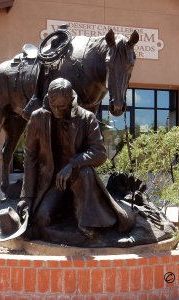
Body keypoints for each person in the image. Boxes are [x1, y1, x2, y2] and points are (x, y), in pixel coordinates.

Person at [18, 78, 134, 240]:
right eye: (54, 106)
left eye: (62, 107)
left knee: (86, 171)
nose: (57, 111)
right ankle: (64, 217)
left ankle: (86, 223)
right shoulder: (38, 118)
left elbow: (99, 153)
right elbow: (30, 157)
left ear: (71, 100)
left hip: (80, 178)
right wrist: (27, 197)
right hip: (52, 181)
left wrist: (73, 165)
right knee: (41, 219)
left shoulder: (86, 118)